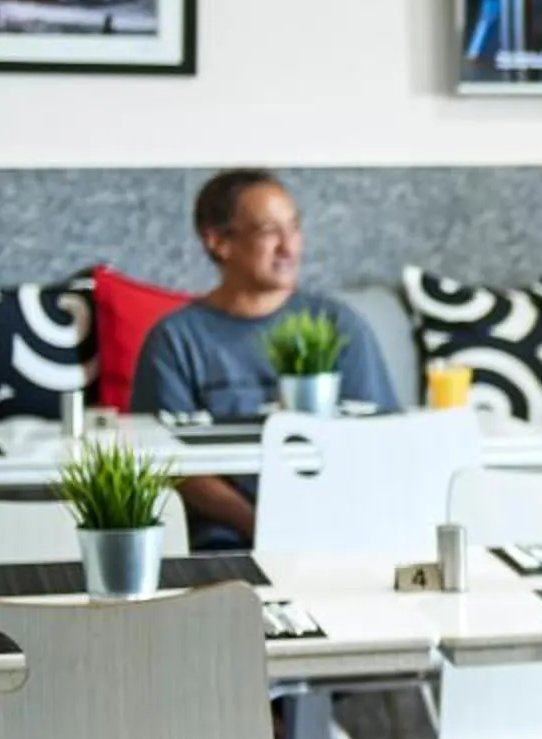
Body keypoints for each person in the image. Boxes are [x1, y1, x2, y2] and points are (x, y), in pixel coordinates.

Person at [132, 169, 398, 548]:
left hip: (339, 531)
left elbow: (381, 439)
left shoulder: (339, 326)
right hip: (225, 539)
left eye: (294, 228)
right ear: (218, 241)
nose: (289, 247)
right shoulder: (174, 340)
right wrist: (258, 524)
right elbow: (170, 462)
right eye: (269, 232)